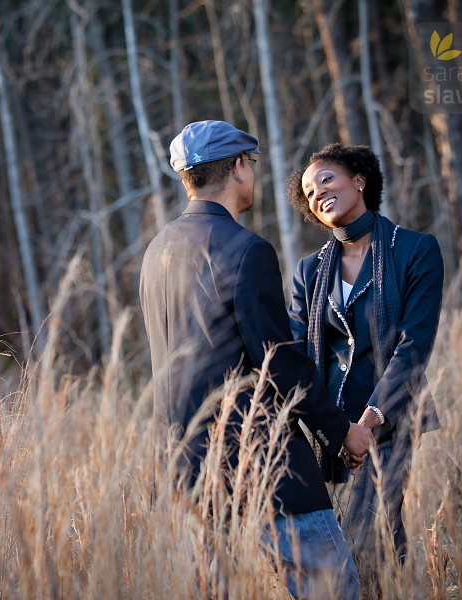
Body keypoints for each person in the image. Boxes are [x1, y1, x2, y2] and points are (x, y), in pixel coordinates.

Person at [140, 120, 374, 598]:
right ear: (241, 168)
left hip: (186, 471)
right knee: (331, 589)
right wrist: (343, 432)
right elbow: (280, 365)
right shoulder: (247, 250)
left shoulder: (155, 251)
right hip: (263, 463)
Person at [285, 143, 443, 583]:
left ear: (359, 179)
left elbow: (415, 345)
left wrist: (369, 421)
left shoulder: (413, 249)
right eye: (309, 193)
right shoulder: (308, 271)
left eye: (326, 179)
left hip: (390, 417)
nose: (318, 193)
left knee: (368, 529)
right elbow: (298, 354)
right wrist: (334, 429)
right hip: (329, 427)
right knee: (351, 539)